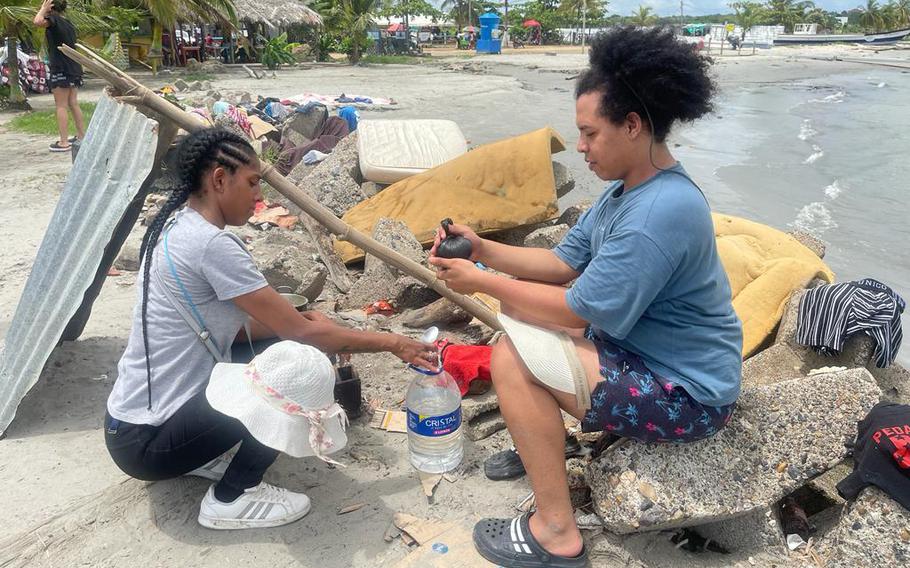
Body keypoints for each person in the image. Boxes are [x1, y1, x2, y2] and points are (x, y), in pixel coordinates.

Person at [429, 27, 742, 567]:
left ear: (633, 125)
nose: (580, 147)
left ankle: (556, 531)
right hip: (649, 354)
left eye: (589, 134)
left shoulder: (657, 213)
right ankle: (543, 447)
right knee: (528, 327)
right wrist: (482, 249)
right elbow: (560, 264)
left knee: (513, 355)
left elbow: (575, 307)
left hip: (687, 395)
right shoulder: (625, 192)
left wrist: (480, 280)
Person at [104, 127, 438, 530]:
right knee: (301, 367)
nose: (259, 197)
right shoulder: (213, 245)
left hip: (130, 430)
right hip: (152, 444)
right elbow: (303, 336)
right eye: (252, 183)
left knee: (284, 346)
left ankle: (206, 453)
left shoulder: (177, 225)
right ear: (219, 180)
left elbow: (231, 324)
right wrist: (393, 342)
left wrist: (295, 325)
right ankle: (232, 497)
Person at [33, 0, 85, 153]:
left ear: (51, 7)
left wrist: (43, 9)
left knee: (61, 105)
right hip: (73, 66)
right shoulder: (67, 23)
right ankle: (82, 135)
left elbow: (37, 21)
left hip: (61, 67)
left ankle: (63, 142)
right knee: (73, 103)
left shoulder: (53, 20)